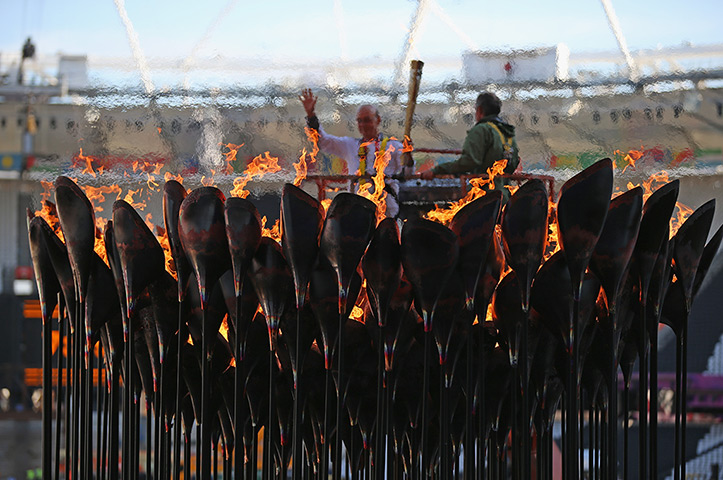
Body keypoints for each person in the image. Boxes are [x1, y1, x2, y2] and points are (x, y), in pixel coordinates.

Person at [299, 88, 404, 218]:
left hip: (386, 210)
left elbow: (408, 173)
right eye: (359, 121)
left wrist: (409, 158)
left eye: (367, 120)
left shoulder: (394, 147)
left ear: (378, 120)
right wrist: (311, 115)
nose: (363, 125)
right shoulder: (350, 145)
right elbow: (323, 141)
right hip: (358, 209)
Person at [420, 92, 519, 189]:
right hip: (505, 194)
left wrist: (437, 170)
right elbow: (514, 162)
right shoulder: (507, 133)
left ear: (479, 110)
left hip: (484, 196)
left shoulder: (481, 130)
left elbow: (469, 162)